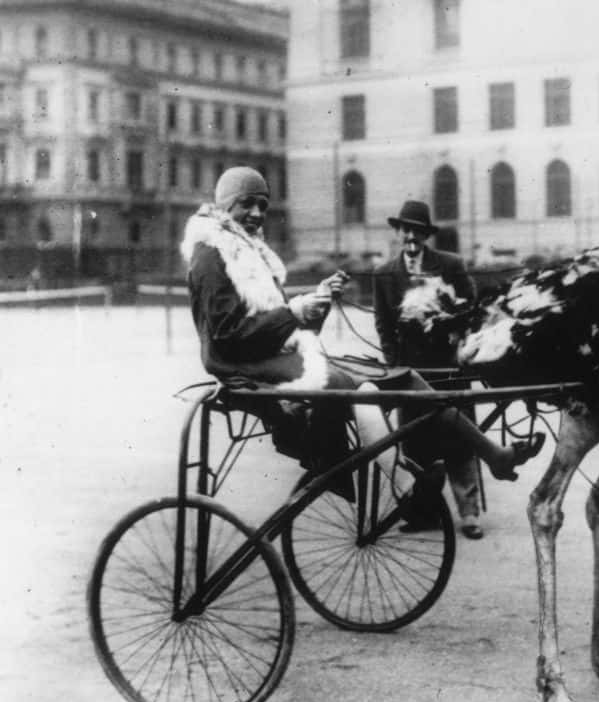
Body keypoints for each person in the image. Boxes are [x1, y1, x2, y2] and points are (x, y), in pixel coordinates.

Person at [181, 167, 543, 512]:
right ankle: (394, 480)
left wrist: (315, 301)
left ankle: (491, 454)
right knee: (345, 384)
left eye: (263, 204)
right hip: (238, 364)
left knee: (402, 377)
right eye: (248, 203)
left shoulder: (248, 250)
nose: (258, 213)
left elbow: (277, 325)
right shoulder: (212, 252)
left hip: (274, 354)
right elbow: (229, 336)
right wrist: (294, 311)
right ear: (225, 203)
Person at [373, 200, 486, 539]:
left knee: (460, 438)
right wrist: (395, 366)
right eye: (405, 230)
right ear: (398, 233)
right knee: (414, 442)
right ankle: (425, 512)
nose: (411, 236)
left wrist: (455, 338)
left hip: (449, 365)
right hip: (411, 370)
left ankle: (469, 514)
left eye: (417, 231)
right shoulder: (385, 273)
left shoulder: (450, 265)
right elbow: (383, 325)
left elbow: (472, 310)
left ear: (425, 235)